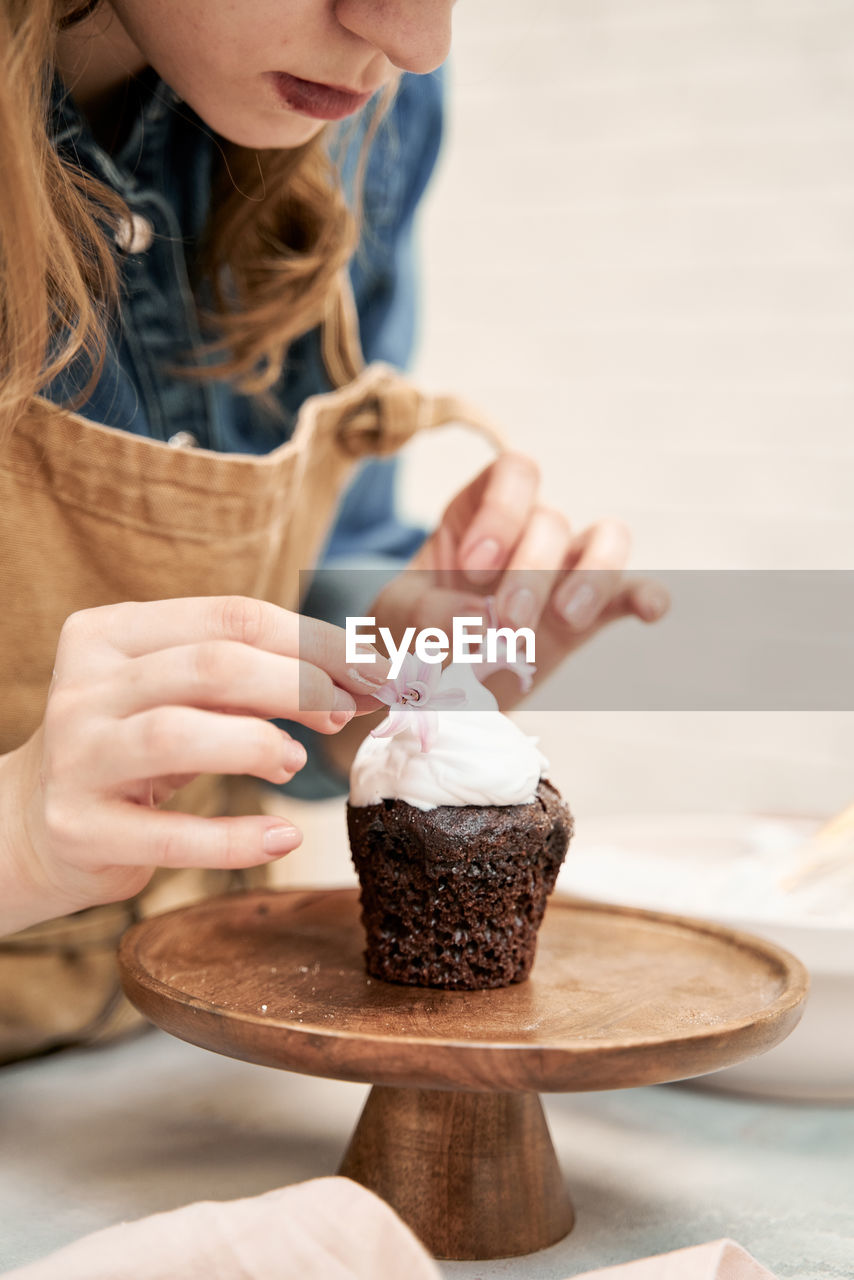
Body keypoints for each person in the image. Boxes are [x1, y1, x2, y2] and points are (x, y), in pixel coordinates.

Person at [0, 1, 667, 1270]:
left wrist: (382, 674)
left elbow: (295, 653)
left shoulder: (359, 115)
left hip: (183, 1099)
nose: (414, 40)